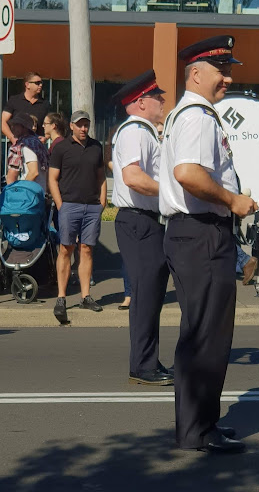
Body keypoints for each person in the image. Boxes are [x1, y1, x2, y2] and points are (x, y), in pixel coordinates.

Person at [159, 35, 257, 453]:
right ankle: (197, 431)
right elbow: (188, 173)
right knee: (206, 336)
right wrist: (233, 200)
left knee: (202, 334)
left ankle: (200, 425)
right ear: (196, 74)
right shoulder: (198, 116)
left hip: (194, 233)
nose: (229, 79)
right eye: (222, 71)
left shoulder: (192, 113)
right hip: (200, 234)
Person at [111, 70, 173, 386]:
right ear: (140, 102)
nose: (162, 99)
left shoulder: (145, 131)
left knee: (151, 295)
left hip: (145, 221)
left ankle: (149, 361)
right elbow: (132, 177)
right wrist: (169, 191)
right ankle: (142, 366)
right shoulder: (134, 132)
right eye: (156, 96)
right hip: (138, 220)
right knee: (146, 295)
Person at [48, 110, 106, 324]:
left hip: (92, 206)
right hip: (69, 206)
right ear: (71, 126)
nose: (83, 128)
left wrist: (102, 202)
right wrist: (61, 205)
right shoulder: (61, 148)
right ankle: (61, 297)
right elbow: (52, 179)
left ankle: (85, 296)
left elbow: (101, 176)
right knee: (66, 248)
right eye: (80, 124)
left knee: (87, 249)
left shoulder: (96, 146)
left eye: (86, 125)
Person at [104, 124, 131, 309]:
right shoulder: (115, 160)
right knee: (128, 257)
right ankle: (129, 294)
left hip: (151, 210)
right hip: (126, 209)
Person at [2, 72, 51, 144]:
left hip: (36, 146)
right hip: (18, 146)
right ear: (27, 84)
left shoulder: (45, 104)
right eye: (37, 83)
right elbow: (2, 121)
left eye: (41, 83)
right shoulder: (14, 100)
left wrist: (46, 138)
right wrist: (12, 138)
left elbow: (52, 123)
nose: (40, 85)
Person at [6, 113, 49, 192]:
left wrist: (21, 191)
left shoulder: (27, 145)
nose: (12, 127)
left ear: (24, 127)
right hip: (39, 192)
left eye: (16, 125)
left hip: (30, 195)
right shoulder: (37, 142)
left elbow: (33, 172)